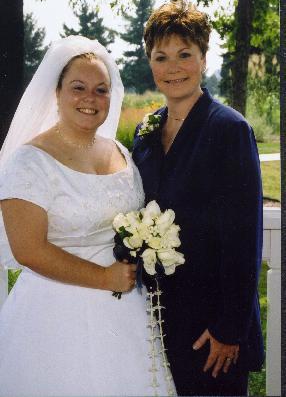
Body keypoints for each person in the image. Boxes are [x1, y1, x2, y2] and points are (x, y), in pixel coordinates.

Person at [0, 36, 175, 396]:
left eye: (101, 90)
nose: (90, 99)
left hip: (126, 311)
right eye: (78, 88)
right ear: (57, 92)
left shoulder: (120, 153)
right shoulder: (28, 161)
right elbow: (28, 250)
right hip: (54, 316)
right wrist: (104, 278)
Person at [132, 0, 264, 396]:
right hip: (157, 318)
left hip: (212, 330)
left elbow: (245, 238)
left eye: (184, 54)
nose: (173, 67)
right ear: (150, 63)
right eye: (162, 56)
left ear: (204, 58)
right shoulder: (146, 131)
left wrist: (228, 328)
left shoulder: (229, 129)